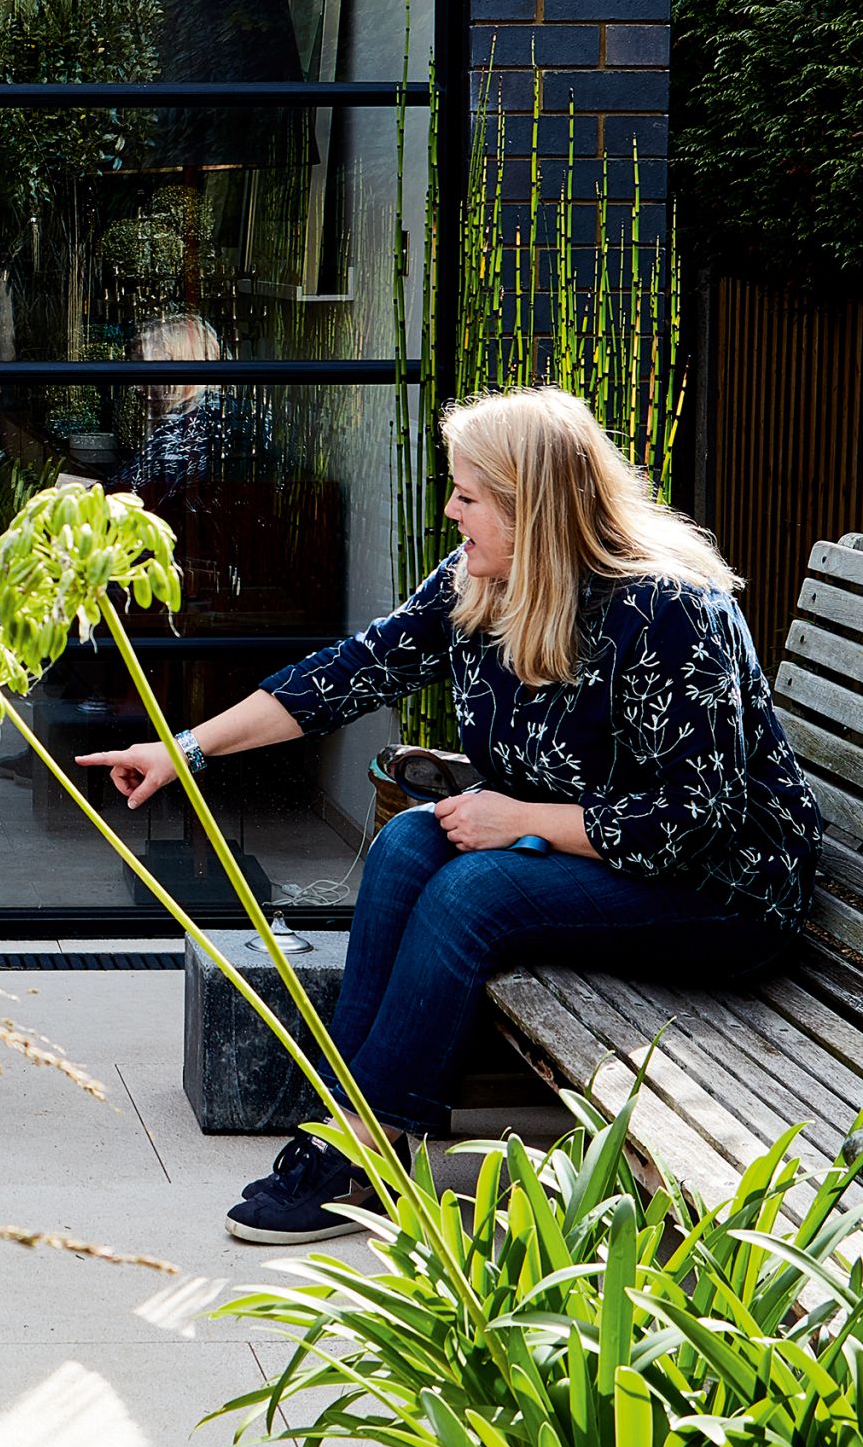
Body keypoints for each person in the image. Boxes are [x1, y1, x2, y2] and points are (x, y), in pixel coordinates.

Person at [80, 386, 822, 1245]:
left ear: (530, 507)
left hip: (723, 891)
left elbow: (698, 815)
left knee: (476, 892)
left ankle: (372, 1146)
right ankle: (343, 1124)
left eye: (468, 494)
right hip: (606, 857)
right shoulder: (481, 583)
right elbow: (348, 673)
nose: (450, 509)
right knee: (406, 839)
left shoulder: (667, 610)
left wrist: (519, 821)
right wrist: (184, 752)